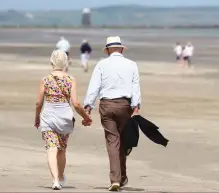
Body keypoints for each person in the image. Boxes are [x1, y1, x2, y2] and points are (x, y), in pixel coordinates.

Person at [83, 36, 141, 191]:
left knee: (112, 142)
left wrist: (88, 105)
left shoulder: (101, 65)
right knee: (123, 141)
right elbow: (135, 86)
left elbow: (94, 86)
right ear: (121, 49)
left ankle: (116, 179)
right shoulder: (131, 65)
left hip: (106, 105)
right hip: (125, 105)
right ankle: (121, 177)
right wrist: (136, 105)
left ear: (108, 50)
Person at [34, 50, 92, 190]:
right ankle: (60, 177)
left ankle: (55, 180)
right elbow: (76, 103)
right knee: (62, 150)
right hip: (65, 117)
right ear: (65, 62)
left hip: (48, 116)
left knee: (51, 149)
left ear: (51, 62)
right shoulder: (71, 79)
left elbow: (38, 103)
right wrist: (86, 117)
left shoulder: (45, 80)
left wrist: (36, 118)